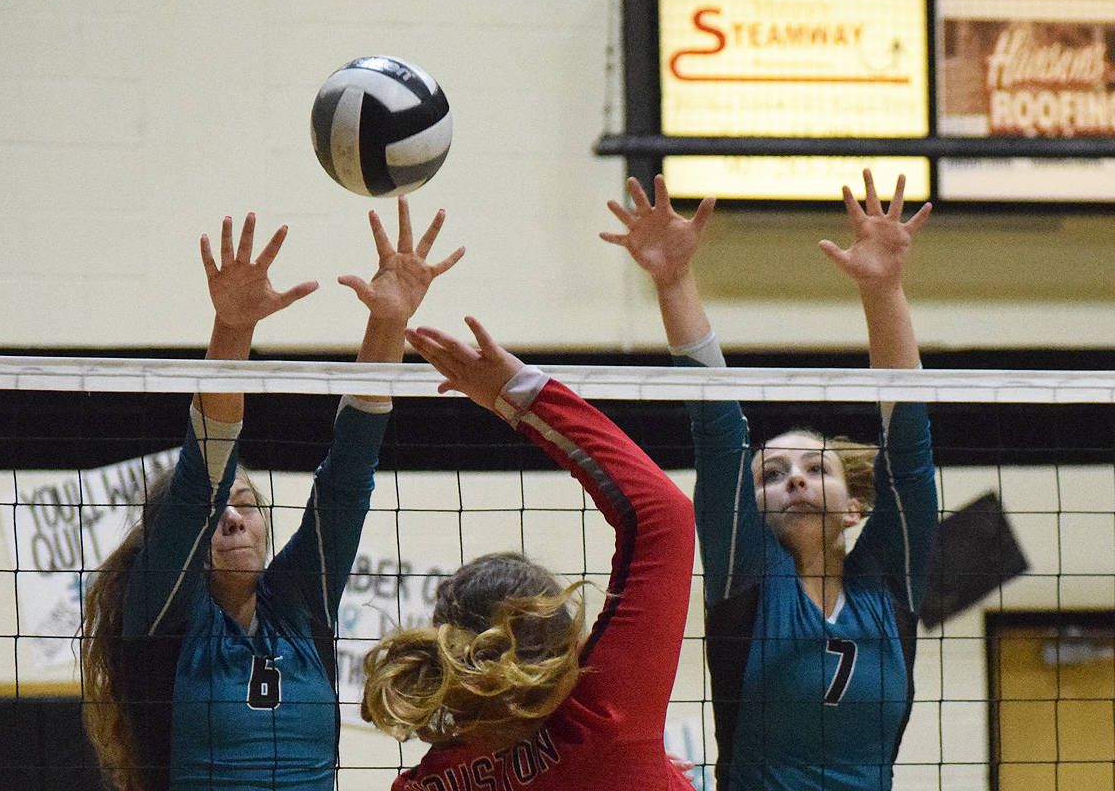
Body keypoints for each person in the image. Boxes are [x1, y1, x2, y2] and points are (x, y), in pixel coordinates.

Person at [80, 199, 463, 791]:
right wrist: (233, 328)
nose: (235, 519)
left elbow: (348, 474)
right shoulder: (163, 614)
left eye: (249, 504)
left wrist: (389, 323)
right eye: (220, 511)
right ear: (180, 543)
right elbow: (201, 477)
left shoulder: (300, 603)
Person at [601, 169, 939, 790]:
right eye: (772, 475)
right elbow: (717, 430)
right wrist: (673, 279)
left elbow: (909, 450)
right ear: (749, 509)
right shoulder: (747, 580)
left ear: (855, 506)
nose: (795, 481)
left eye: (816, 468)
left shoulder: (890, 586)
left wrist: (884, 289)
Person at [360, 316, 698, 791]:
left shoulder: (424, 784)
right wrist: (517, 392)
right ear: (567, 644)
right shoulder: (607, 715)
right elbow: (665, 514)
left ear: (447, 646)